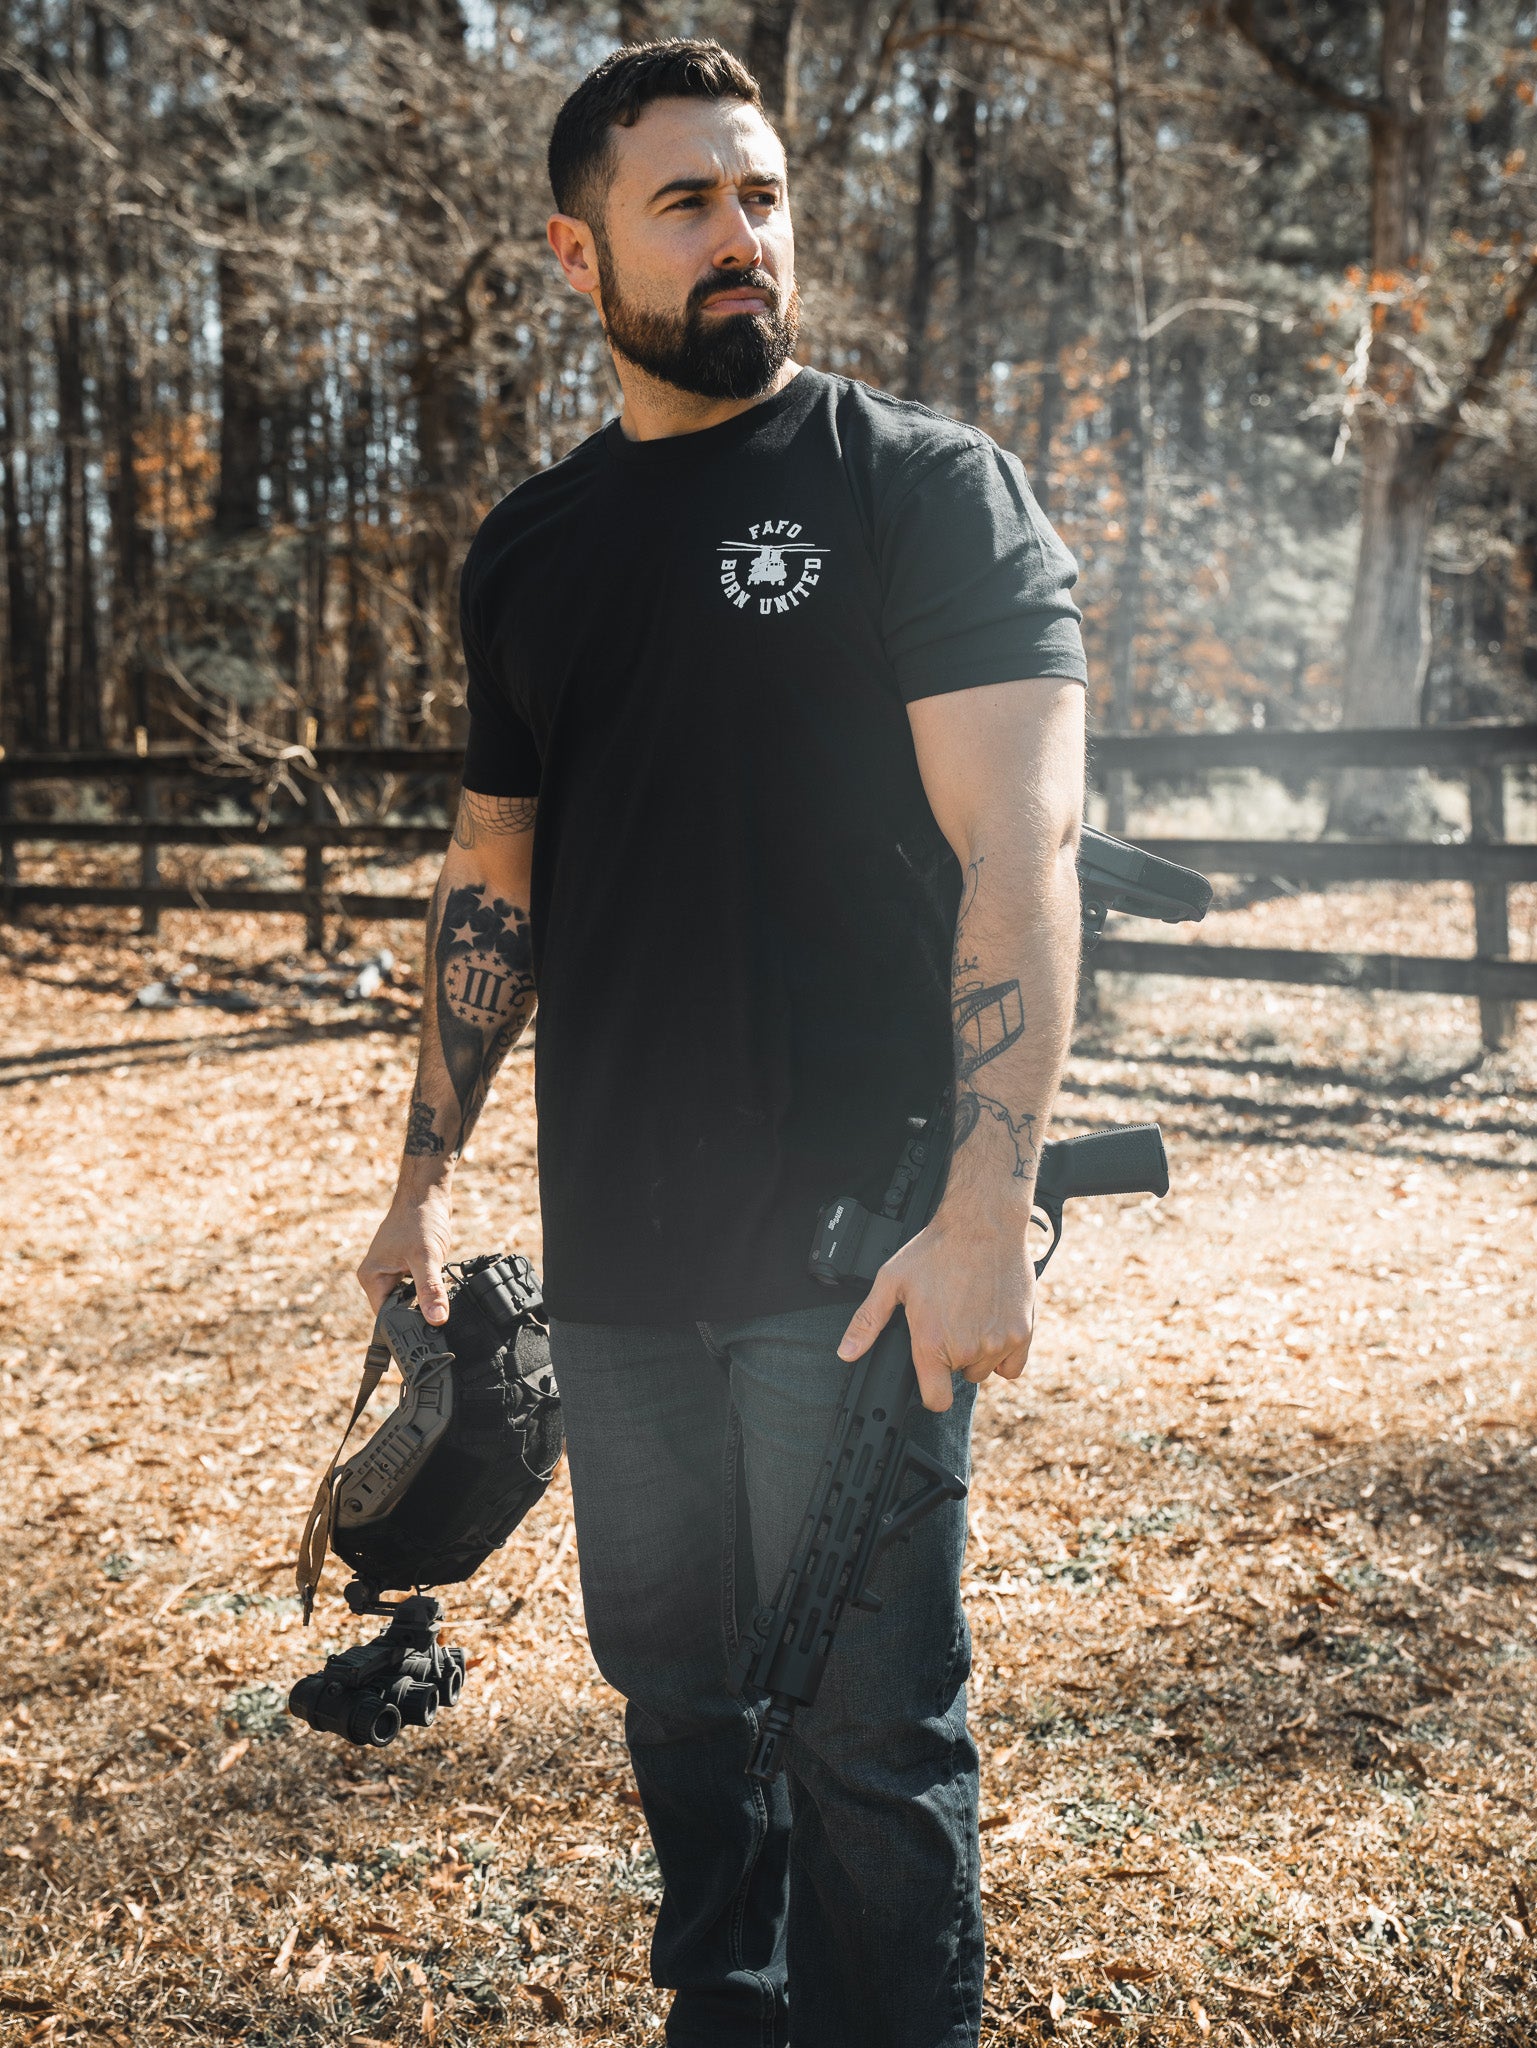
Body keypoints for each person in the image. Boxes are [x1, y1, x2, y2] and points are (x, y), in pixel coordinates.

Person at [357, 37, 1087, 2048]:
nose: (740, 235)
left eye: (760, 195)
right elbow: (492, 882)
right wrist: (420, 1187)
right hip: (617, 1258)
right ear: (576, 253)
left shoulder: (917, 488)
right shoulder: (531, 546)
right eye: (685, 201)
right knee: (677, 1711)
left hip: (860, 1252)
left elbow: (1021, 852)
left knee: (866, 1734)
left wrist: (986, 1204)